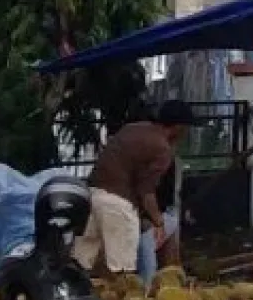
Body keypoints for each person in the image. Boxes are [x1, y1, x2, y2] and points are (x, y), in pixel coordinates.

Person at [72, 100, 194, 276]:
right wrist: (158, 222)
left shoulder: (132, 129)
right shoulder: (162, 148)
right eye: (186, 128)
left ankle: (72, 298)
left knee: (82, 263)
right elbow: (146, 192)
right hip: (118, 204)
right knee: (123, 271)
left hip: (91, 195)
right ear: (179, 127)